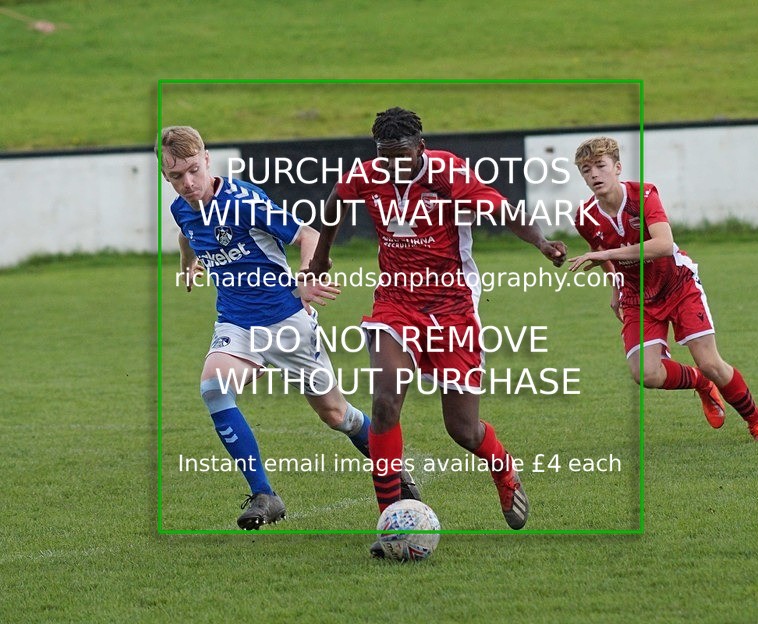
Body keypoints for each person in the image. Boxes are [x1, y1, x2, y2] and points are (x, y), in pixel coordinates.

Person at [307, 107, 567, 556]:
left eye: (403, 156)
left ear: (421, 148)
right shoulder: (367, 175)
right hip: (395, 301)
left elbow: (502, 210)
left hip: (452, 306)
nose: (394, 166)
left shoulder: (448, 173)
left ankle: (503, 469)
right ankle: (390, 520)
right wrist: (321, 257)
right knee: (385, 403)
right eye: (386, 157)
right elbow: (334, 201)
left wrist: (542, 242)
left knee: (462, 430)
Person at [160, 126, 419, 530]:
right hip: (236, 323)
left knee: (336, 415)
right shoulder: (182, 207)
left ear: (207, 159)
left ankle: (393, 468)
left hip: (287, 322)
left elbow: (307, 235)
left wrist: (307, 277)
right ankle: (265, 493)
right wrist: (187, 264)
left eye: (193, 170)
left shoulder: (244, 202)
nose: (187, 183)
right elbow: (186, 233)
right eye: (176, 177)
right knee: (213, 386)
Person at [567, 136, 758, 444]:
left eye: (600, 166)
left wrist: (604, 255)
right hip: (638, 296)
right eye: (586, 170)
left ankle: (757, 422)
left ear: (617, 167)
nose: (594, 175)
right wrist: (615, 288)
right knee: (646, 374)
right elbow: (602, 255)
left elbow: (663, 245)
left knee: (711, 363)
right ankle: (701, 384)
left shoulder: (644, 194)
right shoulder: (585, 217)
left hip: (678, 284)